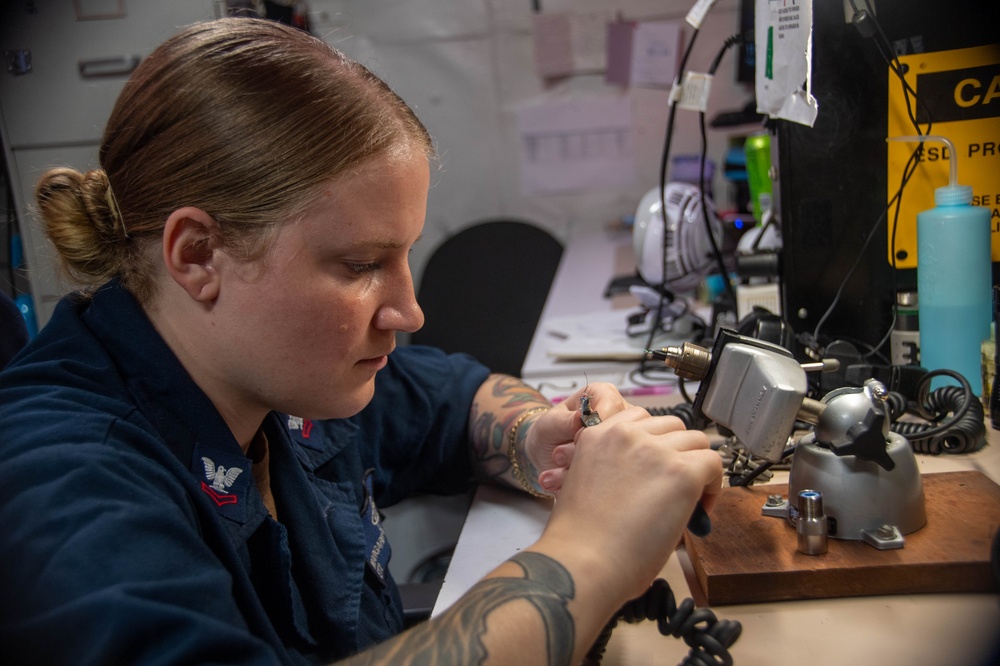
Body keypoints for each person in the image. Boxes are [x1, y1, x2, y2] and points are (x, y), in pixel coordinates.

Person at [0, 17, 723, 666]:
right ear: (197, 256)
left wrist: (544, 435)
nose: (408, 311)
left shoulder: (277, 375)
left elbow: (447, 401)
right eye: (359, 265)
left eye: (403, 255)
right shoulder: (62, 489)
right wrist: (589, 554)